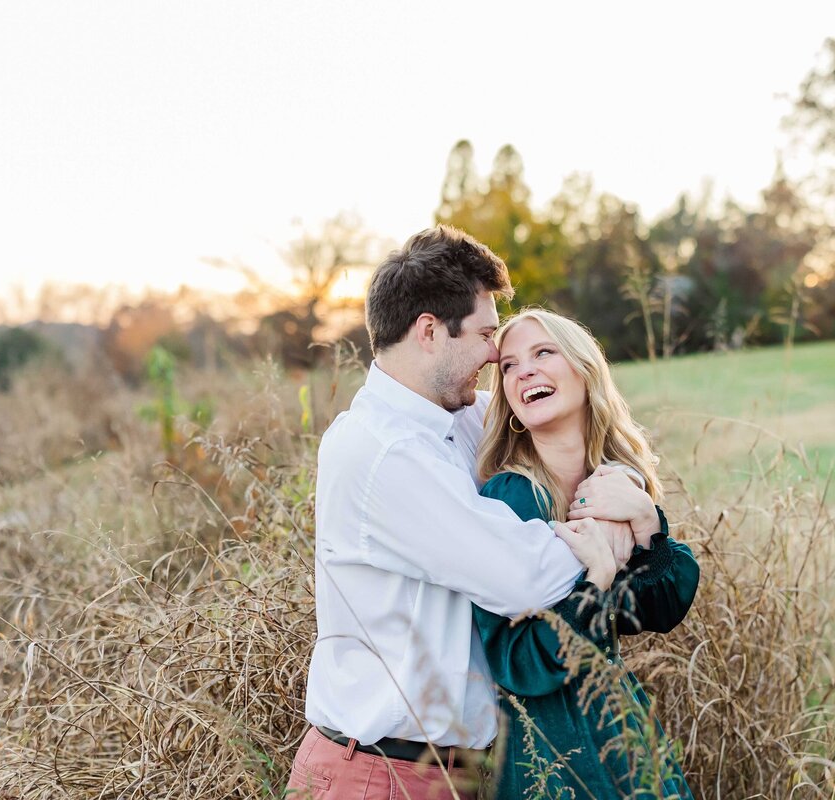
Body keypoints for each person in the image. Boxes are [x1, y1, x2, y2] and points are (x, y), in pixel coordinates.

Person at [287, 227, 645, 799]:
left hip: (457, 771)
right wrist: (609, 531)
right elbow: (523, 577)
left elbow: (564, 429)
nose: (495, 353)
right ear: (429, 331)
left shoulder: (456, 418)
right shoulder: (382, 451)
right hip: (380, 775)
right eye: (484, 334)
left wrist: (627, 485)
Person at [473, 308, 700, 799]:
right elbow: (519, 662)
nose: (523, 371)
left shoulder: (612, 483)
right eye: (508, 366)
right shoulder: (511, 498)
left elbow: (658, 611)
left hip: (623, 733)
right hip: (555, 755)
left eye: (543, 352)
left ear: (584, 369)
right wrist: (596, 580)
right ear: (509, 400)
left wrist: (646, 521)